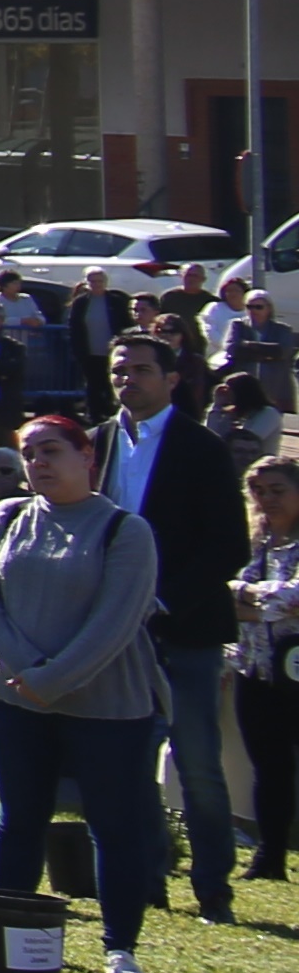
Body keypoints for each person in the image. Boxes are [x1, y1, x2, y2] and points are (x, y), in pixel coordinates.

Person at [0, 408, 173, 973]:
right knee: (19, 817)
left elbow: (116, 623)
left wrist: (52, 678)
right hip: (14, 697)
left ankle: (119, 947)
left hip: (107, 707)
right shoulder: (6, 516)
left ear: (87, 457)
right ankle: (2, 929)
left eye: (50, 451)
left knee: (114, 823)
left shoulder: (124, 530)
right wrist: (27, 669)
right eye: (29, 454)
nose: (37, 463)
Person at [93, 329, 250, 922]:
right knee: (132, 763)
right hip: (118, 636)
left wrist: (165, 600)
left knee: (198, 763)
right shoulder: (99, 443)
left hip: (184, 631)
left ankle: (213, 888)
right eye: (118, 370)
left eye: (139, 369)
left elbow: (227, 545)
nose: (127, 379)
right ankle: (149, 876)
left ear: (171, 379)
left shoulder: (200, 447)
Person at [230, 455, 299, 889]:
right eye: (259, 491)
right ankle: (270, 854)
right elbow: (225, 598)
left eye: (278, 490)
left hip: (295, 669)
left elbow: (290, 602)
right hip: (253, 669)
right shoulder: (252, 542)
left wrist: (249, 598)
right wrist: (260, 601)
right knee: (268, 768)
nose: (267, 499)